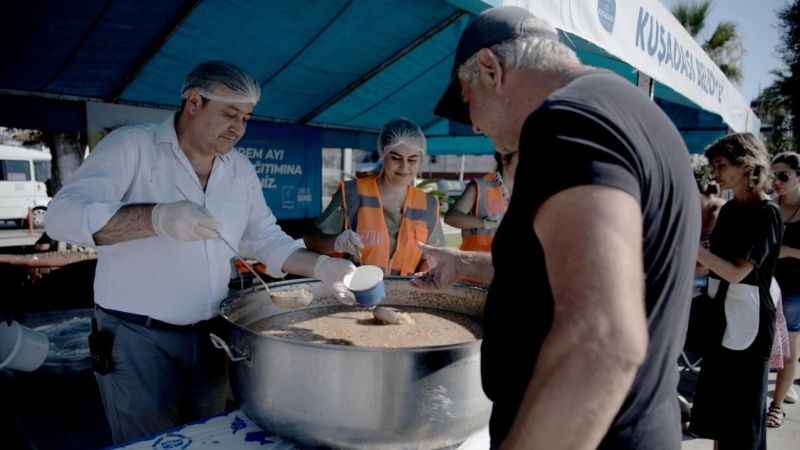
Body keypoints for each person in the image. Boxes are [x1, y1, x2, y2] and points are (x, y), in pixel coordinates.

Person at [414, 6, 699, 449]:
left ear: (491, 70)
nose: (471, 123)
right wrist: (462, 262)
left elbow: (601, 341)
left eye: (467, 100)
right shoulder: (629, 108)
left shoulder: (568, 120)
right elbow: (571, 269)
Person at [44, 61, 356, 444]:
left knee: (209, 435)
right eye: (229, 114)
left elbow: (264, 238)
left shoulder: (238, 169)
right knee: (147, 441)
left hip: (210, 334)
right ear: (193, 101)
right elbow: (61, 217)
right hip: (136, 335)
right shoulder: (134, 146)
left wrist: (323, 266)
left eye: (246, 117)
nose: (239, 128)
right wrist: (156, 218)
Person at [689, 133, 782, 449]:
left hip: (750, 325)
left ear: (746, 165)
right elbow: (707, 267)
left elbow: (734, 271)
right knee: (719, 418)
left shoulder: (767, 213)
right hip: (719, 318)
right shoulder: (728, 211)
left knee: (743, 423)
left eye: (720, 165)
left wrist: (691, 244)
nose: (715, 173)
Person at [304, 118, 445, 275]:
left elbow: (434, 256)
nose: (404, 167)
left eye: (412, 159)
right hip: (357, 292)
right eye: (395, 158)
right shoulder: (352, 193)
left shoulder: (429, 205)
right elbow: (311, 241)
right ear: (383, 154)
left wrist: (426, 270)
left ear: (421, 159)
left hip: (407, 294)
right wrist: (336, 242)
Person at [767, 151, 800, 426]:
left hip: (794, 288)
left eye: (783, 175)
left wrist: (785, 250)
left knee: (790, 351)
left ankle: (776, 406)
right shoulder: (770, 206)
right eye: (773, 175)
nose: (776, 181)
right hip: (766, 284)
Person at [445, 151, 517, 252]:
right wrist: (487, 223)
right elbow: (451, 218)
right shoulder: (480, 186)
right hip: (477, 263)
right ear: (504, 157)